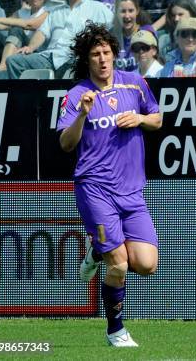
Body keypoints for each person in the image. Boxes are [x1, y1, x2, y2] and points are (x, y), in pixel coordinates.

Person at [57, 22, 161, 347]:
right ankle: (115, 330)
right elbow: (66, 144)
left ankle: (96, 251)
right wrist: (82, 116)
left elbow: (157, 118)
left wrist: (141, 119)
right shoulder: (77, 95)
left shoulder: (135, 84)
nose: (102, 59)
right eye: (94, 54)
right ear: (86, 60)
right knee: (119, 261)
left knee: (146, 264)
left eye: (106, 52)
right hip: (95, 189)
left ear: (114, 54)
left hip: (131, 191)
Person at [6, 0, 113, 78]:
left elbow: (115, 31)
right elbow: (42, 33)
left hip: (76, 59)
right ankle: (24, 96)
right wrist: (30, 47)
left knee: (76, 65)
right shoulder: (54, 11)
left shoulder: (99, 9)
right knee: (13, 61)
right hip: (50, 57)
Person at [0, 0, 48, 70]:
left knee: (16, 29)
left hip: (35, 52)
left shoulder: (48, 11)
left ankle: (4, 66)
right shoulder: (21, 12)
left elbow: (31, 24)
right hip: (18, 49)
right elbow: (3, 26)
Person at [111, 0, 152, 72]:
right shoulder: (110, 36)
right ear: (116, 13)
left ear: (137, 11)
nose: (127, 15)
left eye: (130, 11)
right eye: (123, 11)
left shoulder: (147, 33)